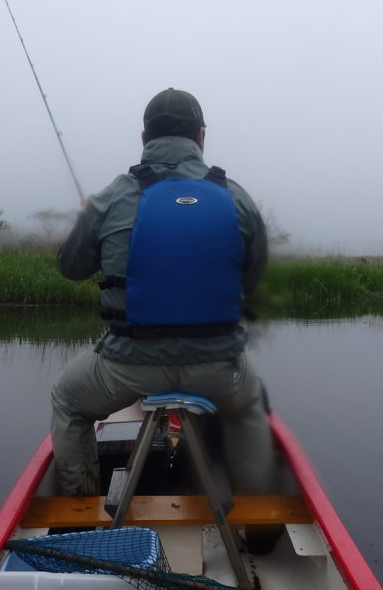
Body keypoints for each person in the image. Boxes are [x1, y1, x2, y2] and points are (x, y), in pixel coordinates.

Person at [51, 88, 273, 498]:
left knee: (67, 400)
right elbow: (252, 279)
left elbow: (71, 267)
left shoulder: (111, 197)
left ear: (144, 138)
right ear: (201, 136)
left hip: (128, 365)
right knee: (247, 408)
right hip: (218, 365)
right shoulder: (236, 197)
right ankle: (260, 530)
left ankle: (78, 510)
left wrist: (88, 219)